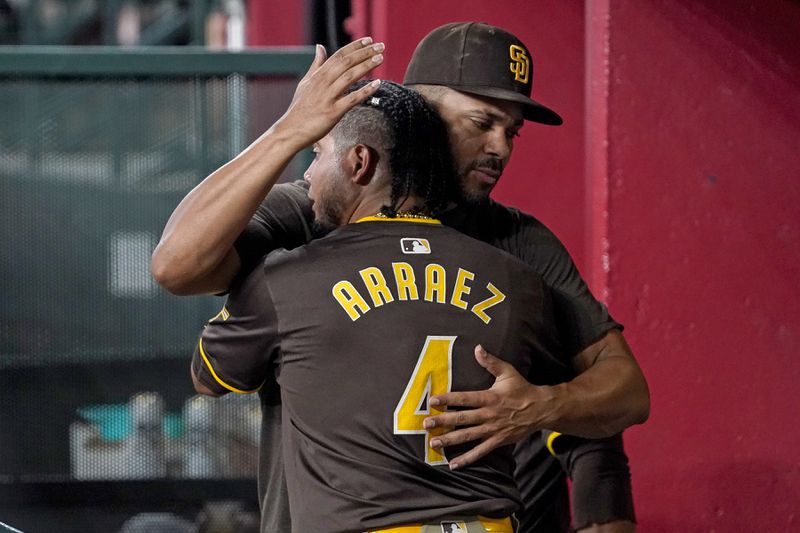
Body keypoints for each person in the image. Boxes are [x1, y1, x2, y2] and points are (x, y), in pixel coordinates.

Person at [152, 23, 649, 532]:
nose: (500, 147)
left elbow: (623, 392)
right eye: (483, 122)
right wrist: (289, 131)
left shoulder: (519, 241)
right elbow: (176, 266)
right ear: (423, 114)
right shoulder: (316, 211)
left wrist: (540, 406)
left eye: (511, 130)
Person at [192, 79, 578, 533]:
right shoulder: (517, 280)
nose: (311, 174)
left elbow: (209, 379)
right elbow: (599, 403)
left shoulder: (287, 279)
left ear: (359, 162)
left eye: (317, 155)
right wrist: (548, 404)